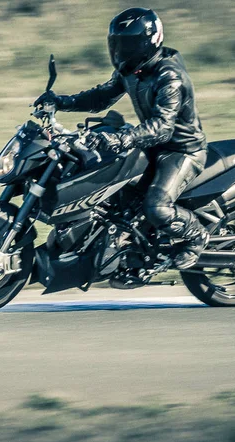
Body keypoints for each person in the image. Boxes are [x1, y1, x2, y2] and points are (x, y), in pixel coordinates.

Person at [34, 7, 209, 270]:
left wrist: (121, 138)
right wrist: (60, 102)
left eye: (128, 45)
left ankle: (196, 236)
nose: (120, 52)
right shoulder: (131, 71)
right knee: (111, 194)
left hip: (181, 151)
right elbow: (101, 97)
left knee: (156, 206)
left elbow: (162, 127)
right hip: (149, 145)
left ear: (149, 42)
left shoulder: (170, 77)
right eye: (117, 44)